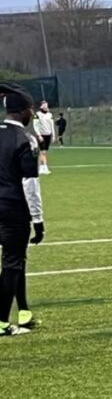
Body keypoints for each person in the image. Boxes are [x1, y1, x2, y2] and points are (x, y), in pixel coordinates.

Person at [0, 84, 46, 337]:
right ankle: (2, 322)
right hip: (12, 208)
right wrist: (38, 219)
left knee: (16, 262)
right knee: (13, 262)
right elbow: (30, 184)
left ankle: (24, 312)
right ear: (24, 111)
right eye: (31, 109)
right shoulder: (25, 139)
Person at [33, 101, 54, 175]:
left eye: (46, 105)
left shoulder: (49, 115)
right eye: (44, 105)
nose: (46, 106)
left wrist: (53, 135)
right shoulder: (37, 114)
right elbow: (35, 125)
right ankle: (45, 167)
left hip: (48, 135)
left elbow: (52, 125)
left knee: (43, 152)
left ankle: (41, 168)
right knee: (43, 152)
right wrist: (39, 135)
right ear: (41, 106)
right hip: (41, 135)